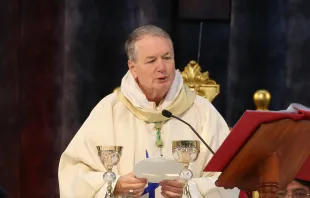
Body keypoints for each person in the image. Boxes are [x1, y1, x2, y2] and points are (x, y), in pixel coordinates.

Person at [58, 25, 239, 198]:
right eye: (151, 60)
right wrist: (114, 186)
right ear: (133, 68)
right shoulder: (110, 111)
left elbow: (230, 178)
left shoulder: (202, 112)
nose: (162, 67)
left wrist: (191, 189)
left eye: (167, 57)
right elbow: (73, 174)